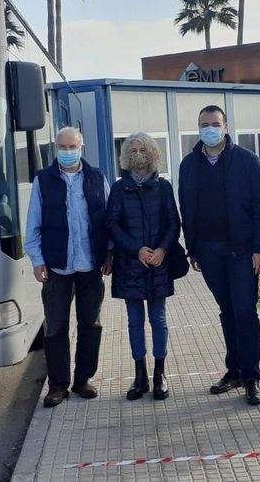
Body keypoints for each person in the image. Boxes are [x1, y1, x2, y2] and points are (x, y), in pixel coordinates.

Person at [178, 105, 260, 406]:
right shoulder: (189, 164)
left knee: (244, 310)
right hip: (208, 251)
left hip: (243, 251)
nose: (210, 129)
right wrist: (192, 248)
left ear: (226, 126)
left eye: (215, 123)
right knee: (227, 310)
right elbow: (187, 208)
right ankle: (234, 371)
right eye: (204, 124)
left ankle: (252, 377)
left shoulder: (246, 161)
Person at [25, 127, 112, 408]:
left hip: (90, 266)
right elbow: (33, 225)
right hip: (56, 268)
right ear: (55, 148)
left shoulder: (98, 178)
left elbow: (108, 221)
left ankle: (83, 379)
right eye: (62, 147)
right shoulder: (43, 181)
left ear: (82, 146)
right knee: (55, 328)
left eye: (72, 146)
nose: (67, 151)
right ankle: (58, 385)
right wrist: (37, 261)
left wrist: (110, 253)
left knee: (90, 324)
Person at [105, 132, 181, 401]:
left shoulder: (164, 187)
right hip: (130, 265)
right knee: (135, 321)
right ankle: (140, 375)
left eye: (143, 149)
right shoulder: (118, 188)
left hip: (158, 264)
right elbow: (111, 224)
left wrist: (162, 249)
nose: (138, 154)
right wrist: (135, 249)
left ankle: (160, 373)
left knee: (158, 319)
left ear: (152, 153)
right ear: (126, 156)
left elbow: (174, 222)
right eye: (133, 150)